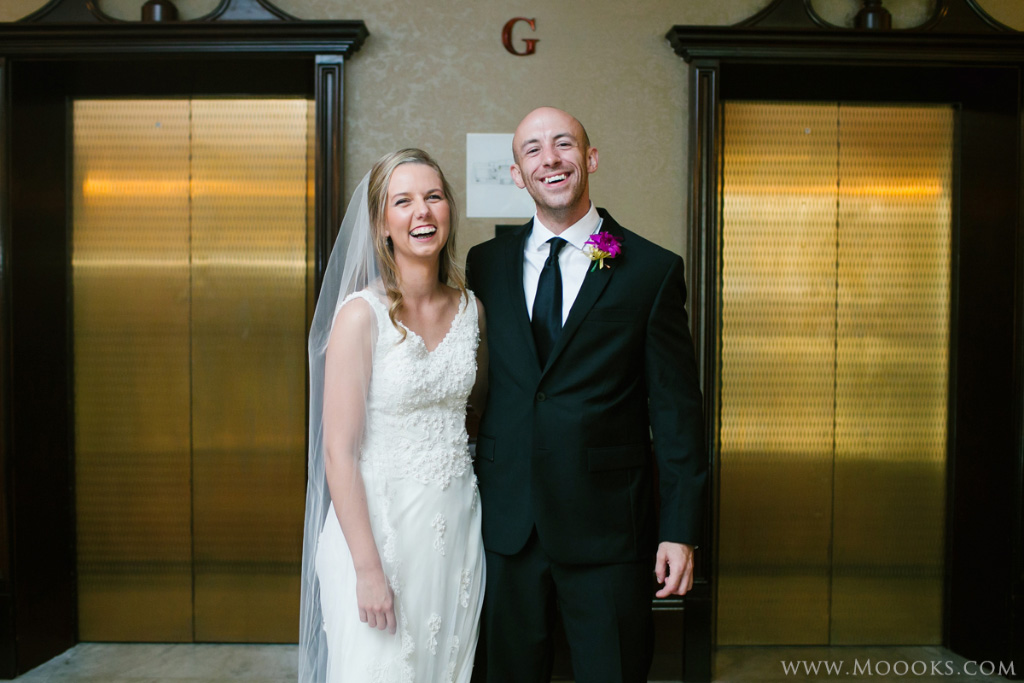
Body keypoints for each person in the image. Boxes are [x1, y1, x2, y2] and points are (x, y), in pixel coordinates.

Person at [465, 107, 707, 682]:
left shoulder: (651, 270)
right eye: (532, 150)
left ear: (590, 158)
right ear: (517, 174)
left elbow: (677, 413)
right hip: (506, 525)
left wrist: (680, 531)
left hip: (608, 531)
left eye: (564, 144)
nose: (549, 158)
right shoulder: (485, 265)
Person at [298, 149, 487, 683]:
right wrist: (367, 569)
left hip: (456, 531)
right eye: (402, 201)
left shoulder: (472, 310)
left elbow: (474, 415)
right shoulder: (361, 316)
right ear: (382, 223)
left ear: (448, 210)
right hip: (378, 534)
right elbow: (338, 451)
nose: (421, 212)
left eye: (433, 197)